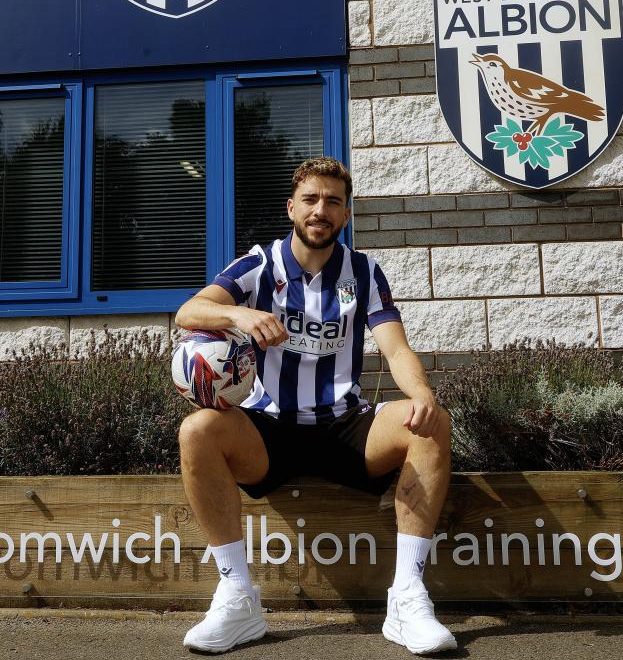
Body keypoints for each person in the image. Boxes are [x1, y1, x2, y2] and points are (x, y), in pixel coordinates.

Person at [173, 156, 457, 655]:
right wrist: (238, 314)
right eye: (310, 199)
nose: (320, 210)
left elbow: (395, 347)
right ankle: (237, 599)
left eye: (332, 201)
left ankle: (407, 598)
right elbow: (188, 312)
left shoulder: (364, 271)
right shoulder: (259, 264)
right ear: (291, 207)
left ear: (345, 214)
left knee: (428, 425)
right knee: (197, 430)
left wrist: (423, 396)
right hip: (268, 429)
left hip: (344, 426)